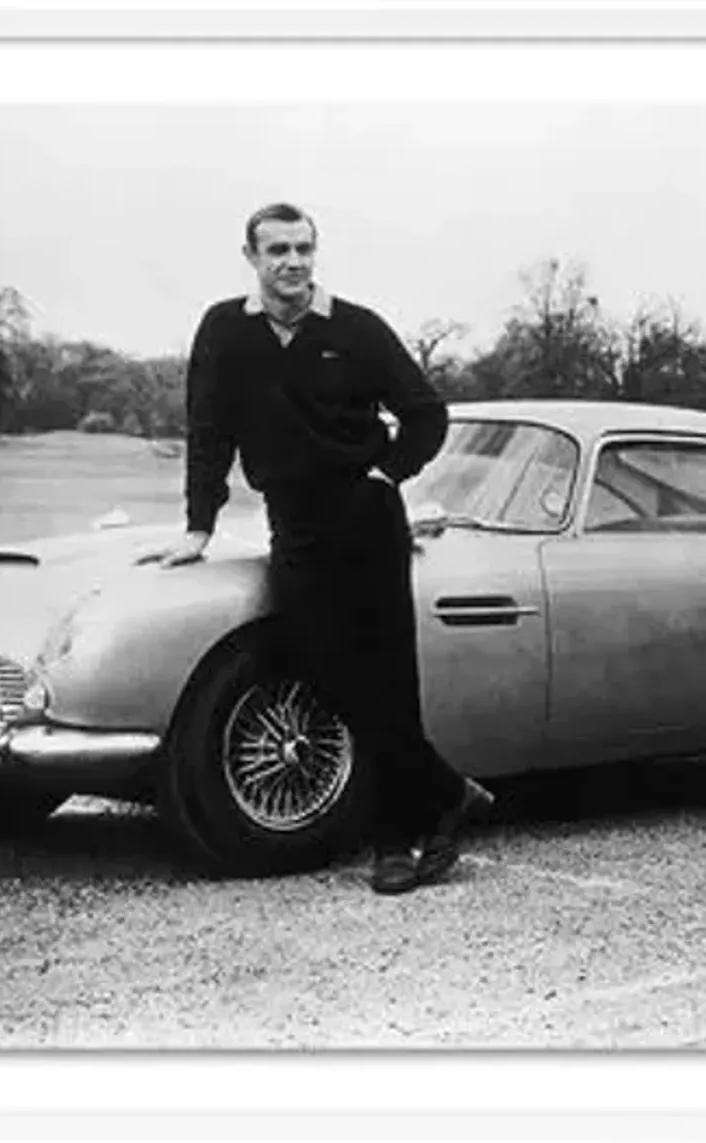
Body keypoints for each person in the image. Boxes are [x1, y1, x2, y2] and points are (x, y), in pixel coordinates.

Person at [159, 202, 493, 895]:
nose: (293, 262)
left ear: (317, 252)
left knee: (390, 680)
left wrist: (388, 470)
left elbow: (427, 414)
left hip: (367, 517)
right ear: (250, 256)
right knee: (321, 663)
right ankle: (446, 789)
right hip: (295, 522)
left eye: (303, 248)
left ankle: (393, 841)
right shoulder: (225, 330)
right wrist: (199, 526)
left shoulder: (357, 327)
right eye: (277, 249)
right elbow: (209, 431)